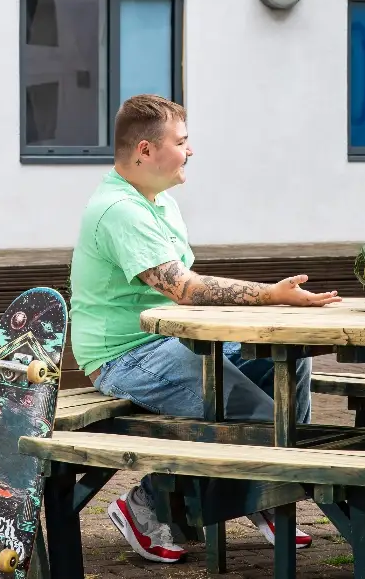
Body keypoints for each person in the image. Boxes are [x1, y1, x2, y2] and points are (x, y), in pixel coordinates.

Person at [69, 94, 341, 564]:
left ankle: (267, 491)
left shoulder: (161, 203)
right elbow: (184, 289)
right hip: (126, 354)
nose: (190, 150)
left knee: (291, 361)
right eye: (182, 141)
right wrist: (272, 295)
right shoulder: (120, 211)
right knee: (256, 416)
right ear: (145, 151)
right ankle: (145, 503)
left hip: (175, 340)